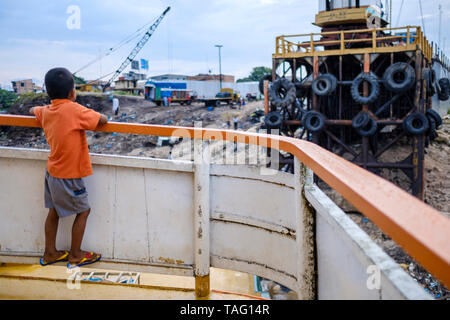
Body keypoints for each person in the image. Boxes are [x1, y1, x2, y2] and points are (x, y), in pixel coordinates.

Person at [29, 67, 108, 269]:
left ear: (48, 92)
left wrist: (37, 109)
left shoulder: (46, 111)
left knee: (54, 211)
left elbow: (33, 111)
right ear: (73, 92)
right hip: (68, 174)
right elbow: (101, 120)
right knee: (84, 211)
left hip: (52, 171)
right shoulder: (75, 109)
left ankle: (50, 253)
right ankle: (75, 255)